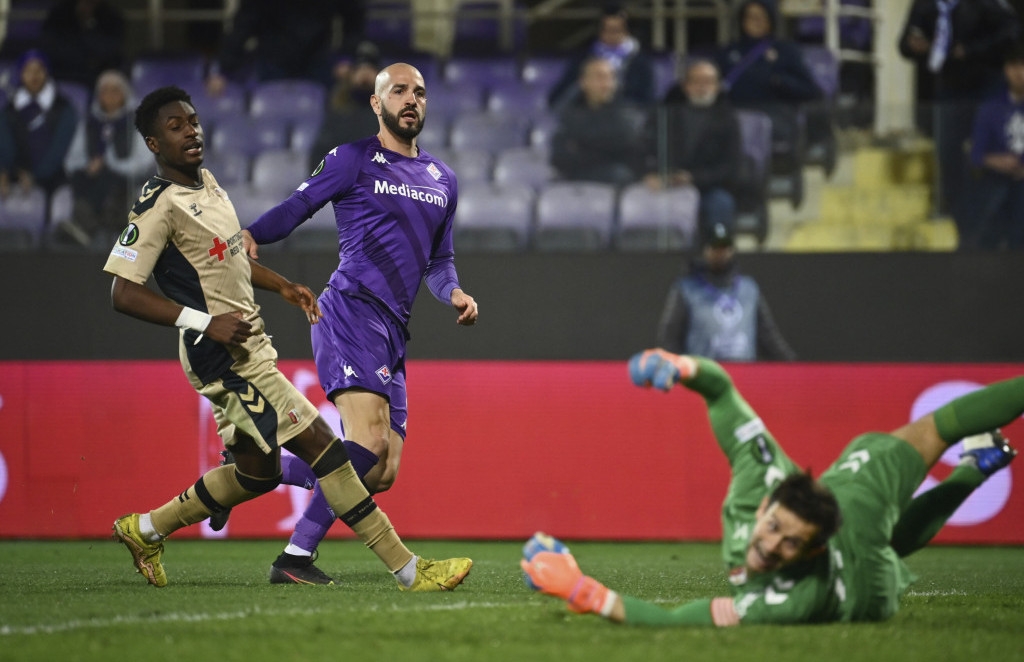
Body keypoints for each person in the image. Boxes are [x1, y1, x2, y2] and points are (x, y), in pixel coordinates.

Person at [103, 84, 472, 592]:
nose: (190, 131)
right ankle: (407, 570)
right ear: (152, 144)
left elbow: (230, 259)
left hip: (248, 343)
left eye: (192, 121)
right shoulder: (156, 204)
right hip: (221, 353)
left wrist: (283, 286)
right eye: (174, 126)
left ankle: (144, 529)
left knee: (258, 474)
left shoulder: (208, 187)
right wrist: (205, 322)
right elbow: (124, 293)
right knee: (329, 448)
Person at [521, 349, 1020, 625]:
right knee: (924, 433)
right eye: (776, 526)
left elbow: (674, 625)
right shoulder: (764, 474)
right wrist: (679, 365)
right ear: (766, 502)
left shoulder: (792, 598)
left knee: (885, 544)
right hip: (849, 494)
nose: (770, 547)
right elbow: (720, 389)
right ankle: (977, 467)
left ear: (811, 551)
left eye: (790, 543)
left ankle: (971, 471)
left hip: (868, 583)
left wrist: (581, 590)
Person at [231, 63, 479, 584]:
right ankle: (295, 558)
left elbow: (439, 261)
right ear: (376, 103)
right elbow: (302, 203)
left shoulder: (443, 180)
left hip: (392, 330)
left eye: (420, 93)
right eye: (399, 91)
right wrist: (253, 234)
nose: (412, 100)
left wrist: (453, 292)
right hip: (349, 309)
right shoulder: (354, 159)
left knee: (382, 470)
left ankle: (254, 469)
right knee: (366, 442)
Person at [898, 0, 1019, 218]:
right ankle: (953, 207)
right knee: (948, 151)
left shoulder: (985, 4)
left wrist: (971, 50)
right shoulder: (925, 5)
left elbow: (1011, 31)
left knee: (993, 148)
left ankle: (1001, 209)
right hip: (948, 88)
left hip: (986, 87)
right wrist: (916, 46)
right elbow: (904, 44)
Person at [715, 0, 823, 207]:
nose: (755, 22)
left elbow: (811, 91)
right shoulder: (728, 53)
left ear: (771, 21)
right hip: (733, 119)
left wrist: (779, 79)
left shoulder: (785, 51)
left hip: (774, 118)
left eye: (761, 17)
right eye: (750, 17)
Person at [656, 222, 796, 361]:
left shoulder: (749, 289)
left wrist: (794, 365)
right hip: (704, 376)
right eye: (715, 247)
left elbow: (768, 336)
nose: (720, 253)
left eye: (725, 247)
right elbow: (669, 337)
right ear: (704, 250)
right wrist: (684, 370)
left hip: (745, 374)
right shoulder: (687, 289)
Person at [646, 59, 742, 236]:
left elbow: (731, 168)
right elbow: (647, 149)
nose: (702, 86)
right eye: (696, 81)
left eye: (708, 82)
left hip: (710, 188)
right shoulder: (667, 115)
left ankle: (719, 256)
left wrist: (693, 178)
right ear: (686, 86)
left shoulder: (728, 120)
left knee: (721, 206)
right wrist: (654, 174)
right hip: (667, 184)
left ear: (717, 87)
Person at [61, 70, 152, 247]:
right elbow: (72, 159)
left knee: (109, 179)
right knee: (80, 177)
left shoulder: (137, 122)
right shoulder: (88, 122)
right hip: (93, 179)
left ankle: (85, 226)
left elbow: (145, 160)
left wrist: (112, 165)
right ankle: (96, 226)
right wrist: (88, 166)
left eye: (115, 91)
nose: (109, 96)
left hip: (125, 179)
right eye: (104, 91)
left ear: (125, 94)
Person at [205, 0, 367, 96]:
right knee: (271, 118)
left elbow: (354, 19)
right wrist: (223, 70)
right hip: (273, 61)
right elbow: (243, 25)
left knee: (319, 126)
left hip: (319, 61)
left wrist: (346, 57)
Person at [960, 42, 1024, 251]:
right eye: (1015, 66)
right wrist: (995, 161)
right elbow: (976, 154)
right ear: (1006, 70)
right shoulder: (991, 108)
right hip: (997, 187)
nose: (1020, 73)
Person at [0, 49, 78, 210]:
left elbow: (58, 151)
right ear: (20, 74)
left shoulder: (63, 108)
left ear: (46, 72)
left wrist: (34, 176)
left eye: (39, 70)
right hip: (17, 174)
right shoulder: (9, 109)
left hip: (52, 178)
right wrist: (6, 172)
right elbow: (6, 147)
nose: (34, 75)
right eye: (28, 70)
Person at [551, 56, 644, 186]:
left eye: (611, 77)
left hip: (616, 181)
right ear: (583, 82)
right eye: (599, 77)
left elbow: (626, 145)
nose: (606, 83)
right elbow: (558, 156)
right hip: (575, 181)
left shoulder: (627, 112)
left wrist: (580, 146)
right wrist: (601, 150)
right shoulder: (569, 113)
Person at [548, 5, 656, 110]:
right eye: (607, 29)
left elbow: (648, 103)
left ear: (627, 31)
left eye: (616, 30)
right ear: (599, 31)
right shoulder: (583, 60)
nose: (612, 35)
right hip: (587, 119)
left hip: (626, 121)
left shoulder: (641, 63)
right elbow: (558, 98)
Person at [307, 42, 382, 172]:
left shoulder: (389, 115)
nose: (365, 74)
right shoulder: (337, 113)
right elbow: (319, 158)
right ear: (350, 76)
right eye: (359, 69)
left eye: (370, 69)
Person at [39, 0, 126, 89]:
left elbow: (110, 50)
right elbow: (50, 47)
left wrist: (88, 23)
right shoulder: (59, 14)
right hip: (63, 74)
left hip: (98, 76)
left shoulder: (111, 16)